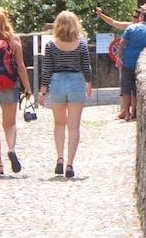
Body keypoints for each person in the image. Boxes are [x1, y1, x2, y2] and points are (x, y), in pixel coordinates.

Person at [38, 11, 93, 178]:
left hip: (57, 82)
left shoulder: (51, 45)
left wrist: (42, 92)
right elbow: (86, 67)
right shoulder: (81, 44)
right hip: (76, 81)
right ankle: (70, 164)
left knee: (59, 124)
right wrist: (88, 83)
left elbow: (47, 69)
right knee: (74, 126)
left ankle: (60, 158)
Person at [0, 6, 33, 175]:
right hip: (10, 85)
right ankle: (11, 148)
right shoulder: (14, 39)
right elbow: (21, 67)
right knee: (9, 124)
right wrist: (28, 89)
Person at [115, 10, 146, 121]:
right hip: (143, 63)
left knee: (126, 88)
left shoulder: (131, 28)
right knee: (136, 89)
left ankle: (127, 114)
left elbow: (122, 42)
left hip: (127, 61)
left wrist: (119, 57)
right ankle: (134, 111)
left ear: (142, 17)